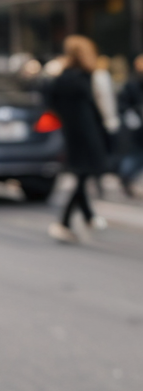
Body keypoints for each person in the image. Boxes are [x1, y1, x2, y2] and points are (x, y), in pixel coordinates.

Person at [46, 35, 110, 243]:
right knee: (83, 175)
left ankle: (87, 217)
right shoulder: (85, 76)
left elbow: (51, 102)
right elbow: (97, 105)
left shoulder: (62, 76)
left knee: (82, 176)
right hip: (86, 132)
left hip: (72, 133)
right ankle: (64, 222)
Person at [117, 54, 143, 194]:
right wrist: (131, 116)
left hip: (137, 123)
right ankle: (125, 177)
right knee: (135, 154)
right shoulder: (132, 83)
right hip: (137, 126)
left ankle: (127, 177)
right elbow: (123, 104)